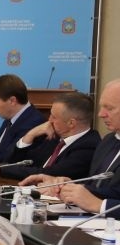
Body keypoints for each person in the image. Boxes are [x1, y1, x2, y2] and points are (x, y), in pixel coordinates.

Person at [22, 79, 120, 214]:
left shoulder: (92, 143)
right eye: (101, 107)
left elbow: (102, 199)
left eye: (110, 108)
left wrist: (101, 206)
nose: (100, 114)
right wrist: (70, 186)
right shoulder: (108, 141)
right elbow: (105, 189)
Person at [0, 91, 99, 180]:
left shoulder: (89, 146)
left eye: (54, 117)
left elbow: (49, 173)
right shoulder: (54, 137)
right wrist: (31, 134)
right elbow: (18, 162)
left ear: (71, 123)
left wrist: (2, 169)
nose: (49, 120)